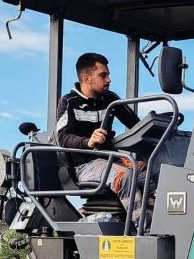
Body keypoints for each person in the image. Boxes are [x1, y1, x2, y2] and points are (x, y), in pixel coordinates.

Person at [55, 52, 148, 220]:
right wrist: (88, 141)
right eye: (103, 75)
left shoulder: (110, 99)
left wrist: (142, 157)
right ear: (86, 78)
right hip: (84, 165)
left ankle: (160, 225)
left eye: (108, 75)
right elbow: (62, 137)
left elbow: (138, 128)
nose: (109, 80)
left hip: (110, 159)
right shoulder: (69, 102)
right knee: (124, 176)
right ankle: (144, 232)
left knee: (151, 176)